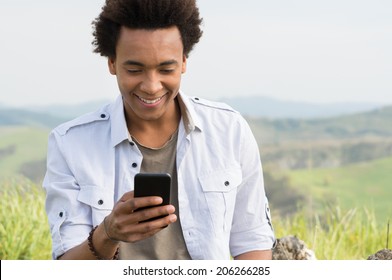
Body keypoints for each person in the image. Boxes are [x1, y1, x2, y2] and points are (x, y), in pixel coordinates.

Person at [43, 0, 275, 260]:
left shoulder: (229, 130)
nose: (151, 86)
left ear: (184, 62)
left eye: (166, 69)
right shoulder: (70, 144)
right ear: (112, 63)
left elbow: (252, 240)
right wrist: (107, 234)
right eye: (134, 69)